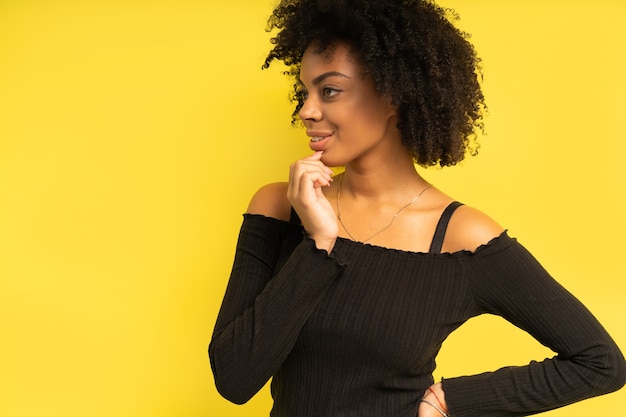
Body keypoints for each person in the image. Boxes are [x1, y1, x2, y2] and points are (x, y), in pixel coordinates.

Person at [209, 0, 626, 416]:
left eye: (329, 90)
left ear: (393, 95)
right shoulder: (279, 208)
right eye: (305, 91)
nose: (307, 110)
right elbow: (234, 379)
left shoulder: (462, 237)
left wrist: (454, 401)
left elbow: (600, 363)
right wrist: (319, 244)